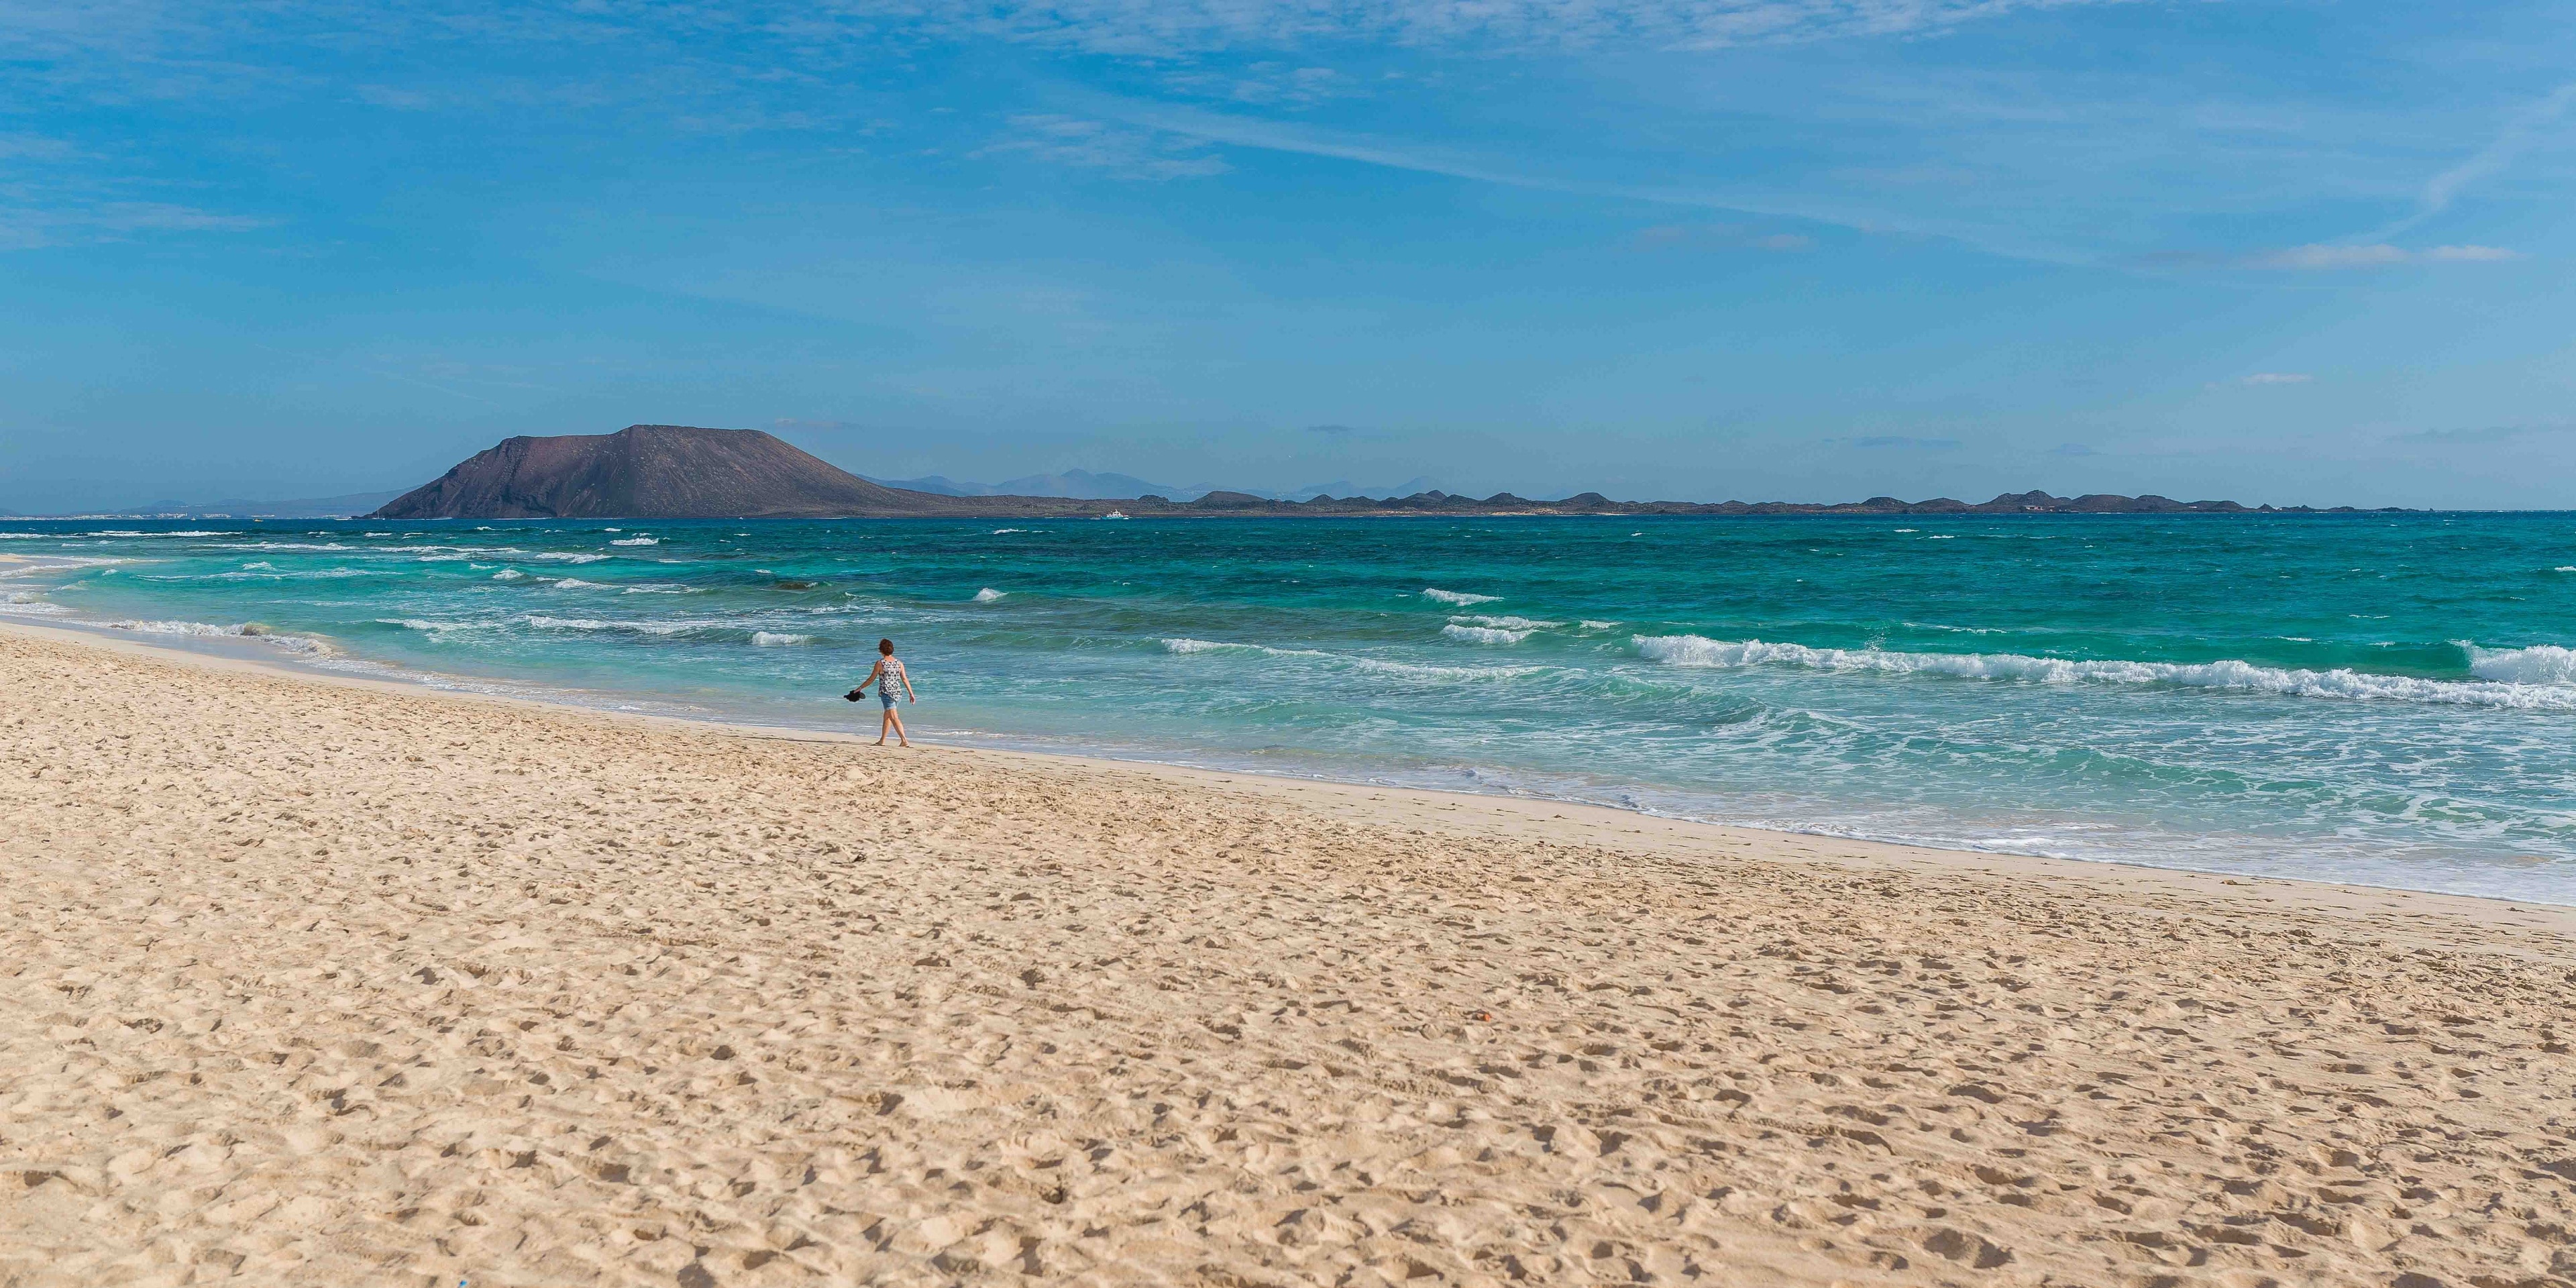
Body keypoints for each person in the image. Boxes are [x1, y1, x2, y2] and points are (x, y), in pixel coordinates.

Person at [845, 638, 917, 747]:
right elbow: (905, 679)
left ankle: (904, 740)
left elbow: (871, 679)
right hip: (898, 694)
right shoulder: (899, 663)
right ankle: (882, 740)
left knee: (893, 717)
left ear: (881, 650)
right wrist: (911, 693)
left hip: (887, 694)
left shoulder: (880, 664)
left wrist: (859, 688)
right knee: (887, 717)